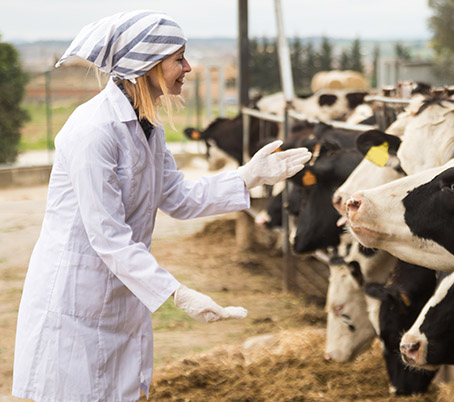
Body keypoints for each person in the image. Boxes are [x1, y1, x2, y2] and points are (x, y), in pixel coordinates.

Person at [12, 10, 311, 402]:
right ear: (147, 65)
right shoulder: (93, 132)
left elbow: (179, 198)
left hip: (118, 296)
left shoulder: (147, 126)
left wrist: (248, 177)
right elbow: (110, 239)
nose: (188, 67)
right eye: (178, 58)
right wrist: (178, 293)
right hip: (76, 301)